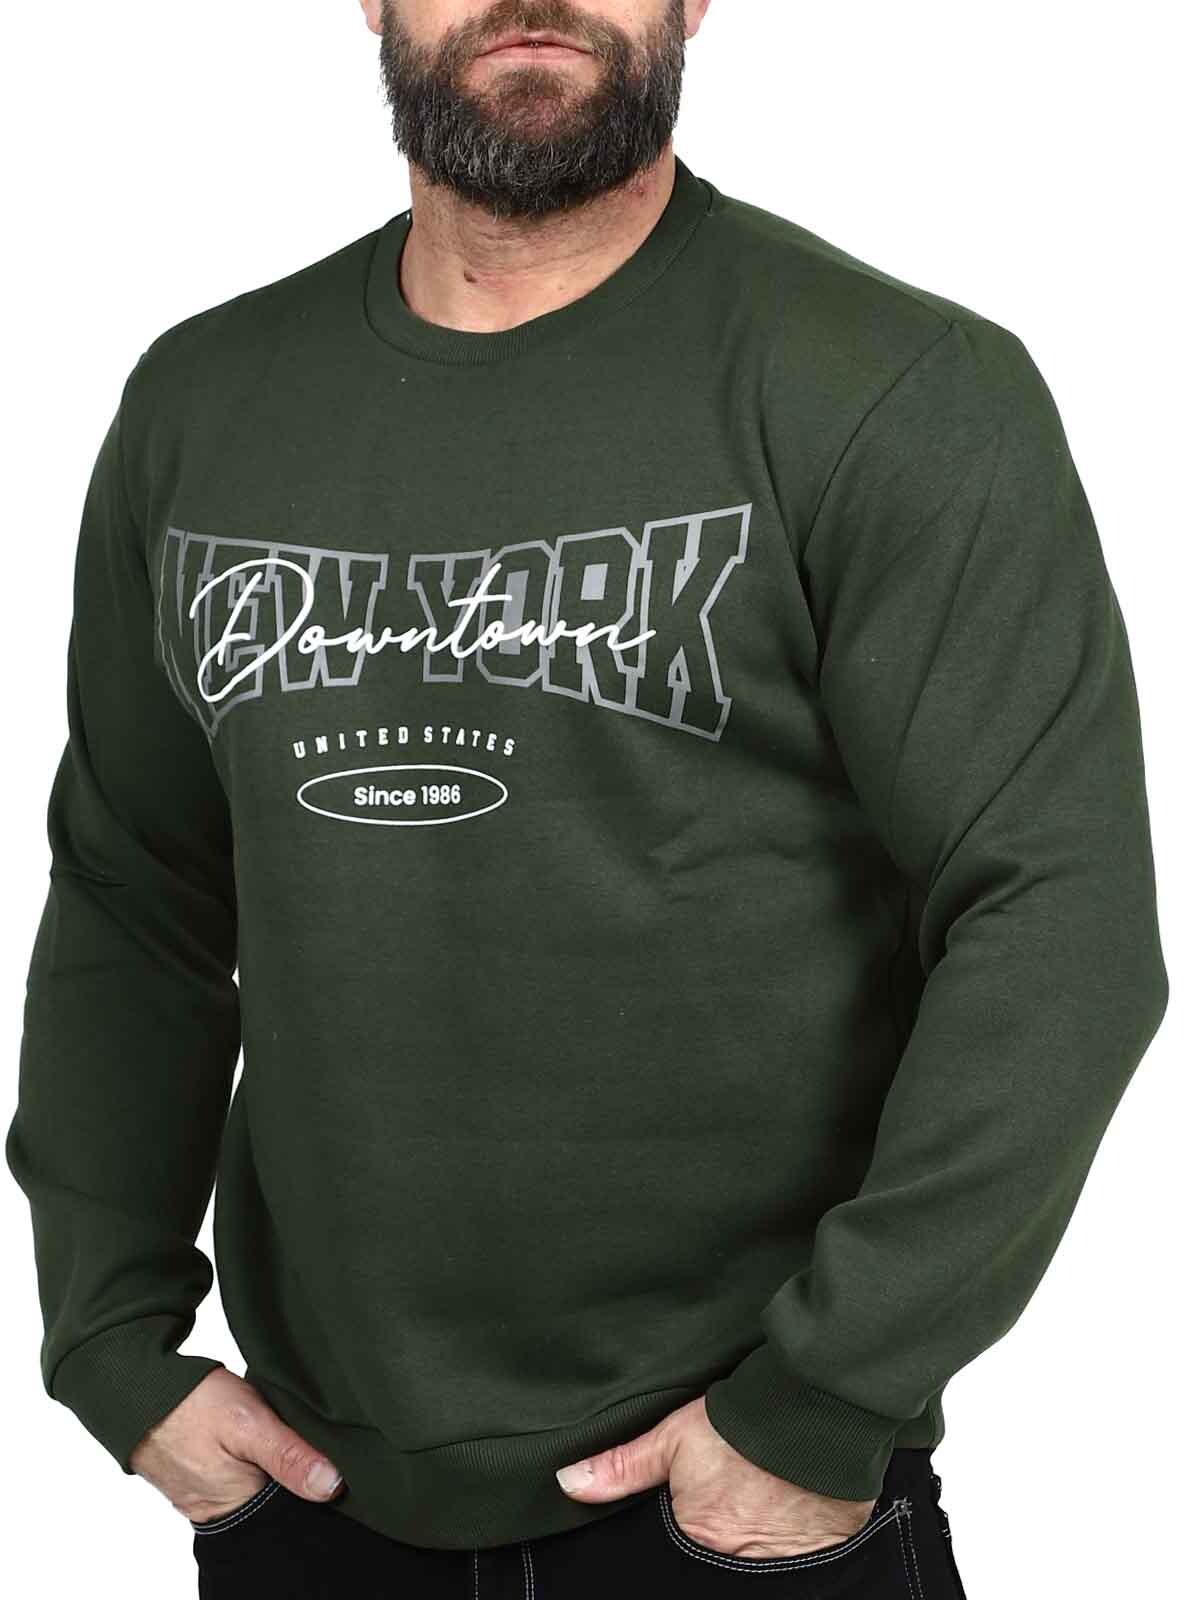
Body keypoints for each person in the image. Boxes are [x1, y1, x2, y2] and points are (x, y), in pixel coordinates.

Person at [7, 2, 1169, 1596]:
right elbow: (134, 894)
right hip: (312, 1496)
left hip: (741, 1504)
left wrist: (822, 1401)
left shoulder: (893, 386)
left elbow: (1058, 918)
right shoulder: (202, 402)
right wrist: (108, 1338)